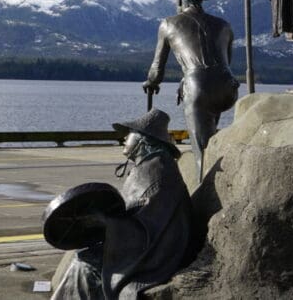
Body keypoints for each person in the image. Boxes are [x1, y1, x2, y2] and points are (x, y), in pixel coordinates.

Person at [48, 109, 193, 300]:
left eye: (130, 133)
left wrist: (105, 222)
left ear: (142, 140)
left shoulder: (156, 173)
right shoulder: (151, 166)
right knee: (85, 256)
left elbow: (148, 231)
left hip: (152, 258)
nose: (124, 138)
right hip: (144, 249)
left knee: (84, 264)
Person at [142, 0, 239, 183]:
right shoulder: (224, 25)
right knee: (211, 140)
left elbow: (157, 68)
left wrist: (151, 83)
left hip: (199, 89)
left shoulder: (169, 24)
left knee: (201, 150)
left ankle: (204, 192)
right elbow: (226, 63)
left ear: (180, 0)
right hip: (227, 88)